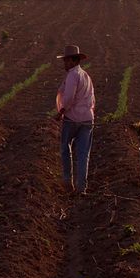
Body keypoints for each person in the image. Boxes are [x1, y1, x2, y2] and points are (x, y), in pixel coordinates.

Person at [53, 44, 95, 194]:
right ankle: (82, 188)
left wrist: (61, 112)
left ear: (72, 60)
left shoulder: (72, 75)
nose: (64, 63)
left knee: (65, 148)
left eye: (66, 60)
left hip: (72, 118)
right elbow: (92, 99)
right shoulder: (86, 76)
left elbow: (69, 97)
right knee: (84, 154)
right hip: (87, 119)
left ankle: (67, 181)